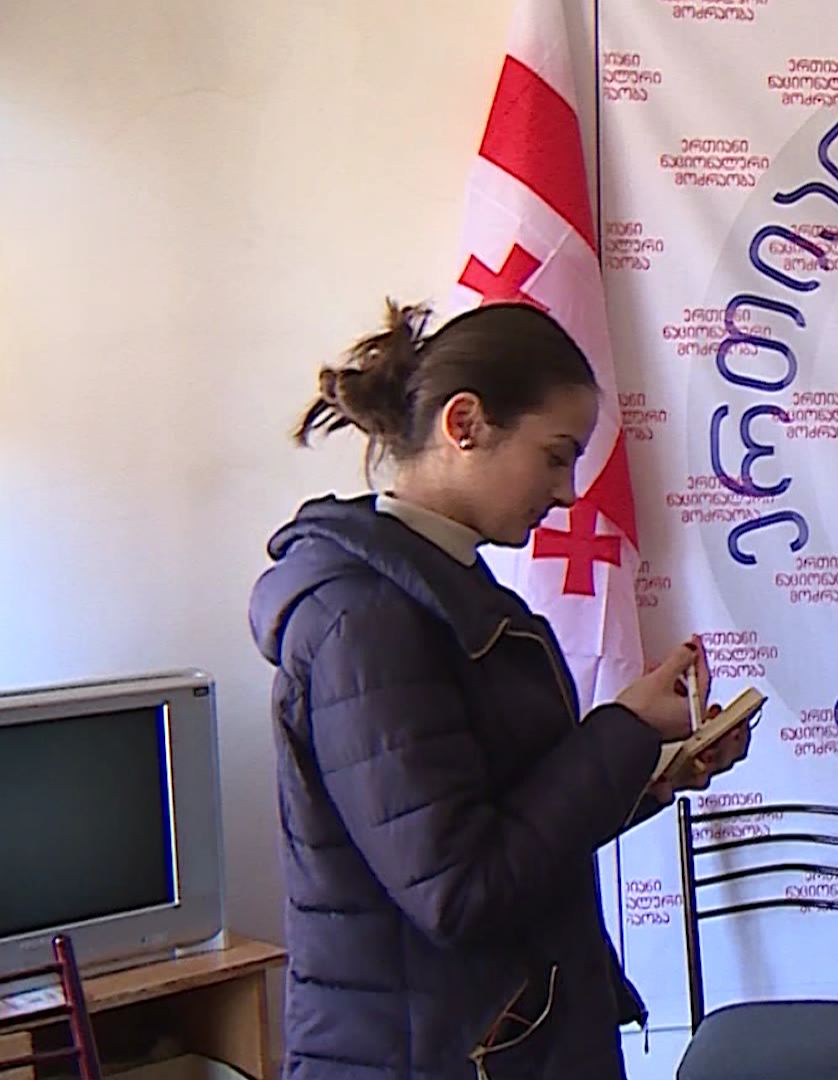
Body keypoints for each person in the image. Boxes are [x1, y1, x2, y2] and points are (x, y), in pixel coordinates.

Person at [248, 300, 747, 1080]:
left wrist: (653, 771)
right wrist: (619, 730)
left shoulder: (435, 593)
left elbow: (508, 819)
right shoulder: (367, 621)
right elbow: (461, 891)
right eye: (555, 456)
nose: (569, 492)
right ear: (466, 424)